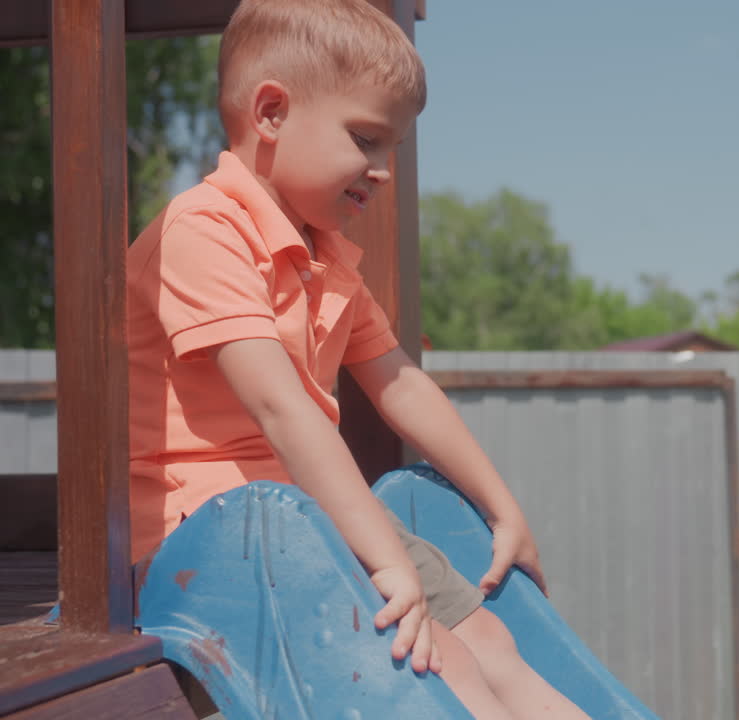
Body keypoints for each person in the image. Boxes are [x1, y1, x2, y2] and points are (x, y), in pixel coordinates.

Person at [126, 1, 589, 717]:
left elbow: (401, 385)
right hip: (211, 534)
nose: (382, 170)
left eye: (392, 148)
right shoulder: (203, 229)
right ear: (272, 112)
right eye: (366, 139)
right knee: (440, 668)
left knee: (489, 643)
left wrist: (503, 509)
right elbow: (281, 409)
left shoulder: (327, 258)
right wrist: (384, 558)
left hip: (300, 510)